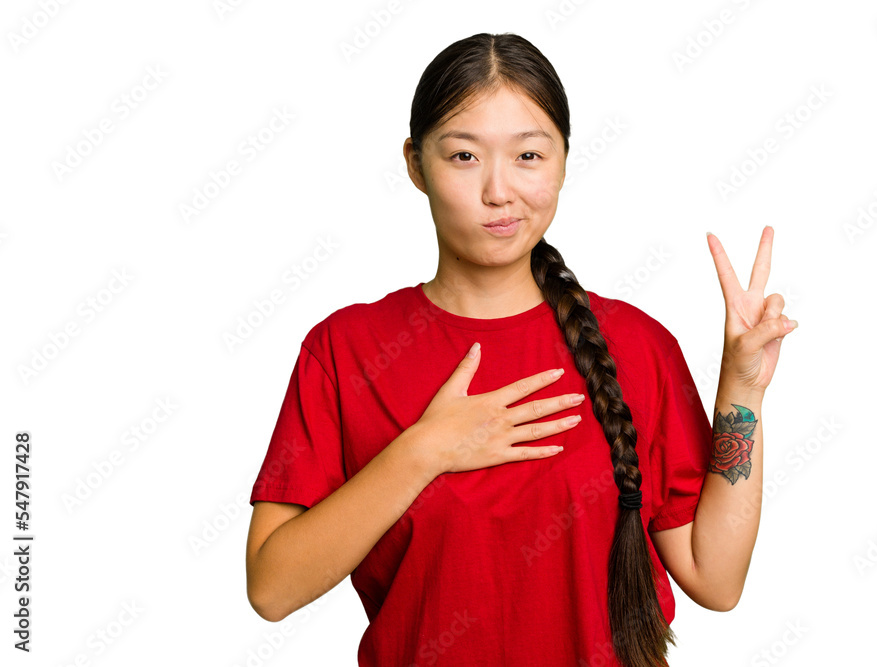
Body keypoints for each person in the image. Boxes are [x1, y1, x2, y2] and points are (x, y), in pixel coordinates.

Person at [244, 32, 796, 667]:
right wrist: (427, 449)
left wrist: (743, 390)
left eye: (529, 155)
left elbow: (715, 580)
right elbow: (272, 587)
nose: (499, 192)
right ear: (415, 164)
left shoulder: (639, 347)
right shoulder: (346, 350)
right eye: (463, 157)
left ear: (563, 160)